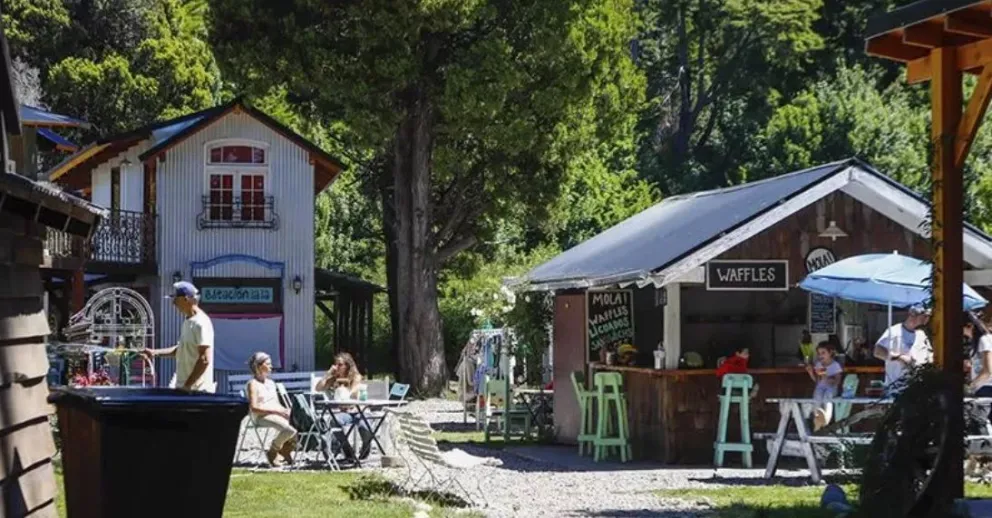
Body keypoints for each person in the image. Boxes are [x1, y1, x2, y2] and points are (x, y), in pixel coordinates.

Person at [142, 281, 215, 392]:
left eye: (176, 299)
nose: (173, 303)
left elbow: (204, 359)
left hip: (198, 392)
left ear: (186, 299)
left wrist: (187, 385)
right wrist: (154, 353)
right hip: (185, 389)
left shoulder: (201, 323)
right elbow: (181, 350)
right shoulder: (188, 321)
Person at [315, 352, 374, 460]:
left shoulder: (356, 377)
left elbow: (352, 392)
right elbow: (318, 388)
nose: (336, 367)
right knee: (334, 422)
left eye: (340, 364)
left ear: (347, 365)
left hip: (360, 410)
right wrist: (327, 374)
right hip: (344, 413)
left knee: (364, 426)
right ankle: (347, 450)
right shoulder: (334, 379)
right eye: (335, 364)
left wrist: (344, 392)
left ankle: (366, 446)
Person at [246, 352, 297, 467]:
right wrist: (277, 412)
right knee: (289, 430)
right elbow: (254, 408)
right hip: (261, 416)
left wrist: (286, 411)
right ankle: (272, 452)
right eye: (268, 364)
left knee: (300, 425)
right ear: (259, 366)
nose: (271, 366)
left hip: (275, 414)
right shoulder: (252, 384)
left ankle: (285, 450)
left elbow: (276, 404)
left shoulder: (271, 383)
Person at [873, 305, 932, 393]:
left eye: (928, 317)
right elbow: (877, 351)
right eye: (924, 316)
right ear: (913, 315)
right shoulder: (894, 332)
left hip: (918, 389)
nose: (927, 320)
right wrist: (900, 357)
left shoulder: (921, 335)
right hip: (896, 390)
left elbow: (930, 356)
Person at [805, 342, 843, 431]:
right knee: (817, 396)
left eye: (823, 353)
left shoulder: (835, 365)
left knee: (827, 397)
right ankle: (817, 418)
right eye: (819, 353)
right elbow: (817, 380)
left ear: (830, 353)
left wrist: (828, 379)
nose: (820, 355)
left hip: (831, 388)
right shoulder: (819, 364)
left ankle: (826, 418)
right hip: (820, 387)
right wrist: (811, 373)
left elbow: (837, 381)